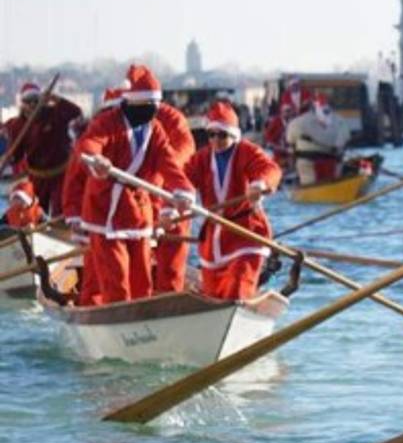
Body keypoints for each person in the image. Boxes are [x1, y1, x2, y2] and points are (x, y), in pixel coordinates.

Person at [76, 66, 193, 305]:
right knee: (116, 279)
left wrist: (181, 191)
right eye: (149, 104)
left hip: (138, 213)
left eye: (156, 105)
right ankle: (118, 319)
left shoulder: (155, 129)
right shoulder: (108, 122)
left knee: (141, 282)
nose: (154, 111)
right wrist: (97, 159)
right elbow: (90, 143)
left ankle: (144, 324)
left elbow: (168, 162)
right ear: (134, 104)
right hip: (105, 212)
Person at [185, 102, 282, 300]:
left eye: (222, 135)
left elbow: (270, 169)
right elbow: (182, 180)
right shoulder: (201, 158)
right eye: (211, 134)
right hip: (214, 239)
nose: (216, 140)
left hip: (246, 233)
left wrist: (259, 185)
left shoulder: (247, 151)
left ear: (234, 135)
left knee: (238, 283)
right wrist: (176, 201)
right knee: (213, 294)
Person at [60, 85, 125, 307]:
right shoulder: (87, 144)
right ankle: (93, 307)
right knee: (95, 274)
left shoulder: (138, 142)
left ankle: (134, 309)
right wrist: (75, 217)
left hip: (128, 222)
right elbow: (72, 186)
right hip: (94, 219)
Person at [0, 81, 84, 215]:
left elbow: (76, 112)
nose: (32, 104)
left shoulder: (54, 114)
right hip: (36, 177)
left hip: (60, 174)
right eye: (28, 101)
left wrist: (56, 99)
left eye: (35, 100)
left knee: (60, 210)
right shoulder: (17, 125)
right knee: (37, 210)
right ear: (23, 103)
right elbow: (18, 155)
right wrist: (8, 158)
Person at [152, 92, 197, 294]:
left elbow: (181, 156)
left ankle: (168, 296)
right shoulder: (110, 121)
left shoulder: (172, 119)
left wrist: (167, 207)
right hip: (130, 207)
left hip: (170, 198)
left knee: (172, 259)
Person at [285, 95, 350, 184]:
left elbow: (290, 142)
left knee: (309, 184)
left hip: (307, 163)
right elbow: (344, 142)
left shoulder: (296, 122)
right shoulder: (341, 121)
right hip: (333, 163)